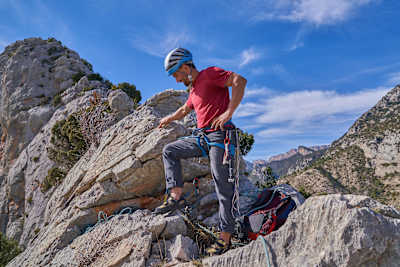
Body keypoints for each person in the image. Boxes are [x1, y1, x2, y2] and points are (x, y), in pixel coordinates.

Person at [154, 48, 247, 255]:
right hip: (202, 138)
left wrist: (229, 112)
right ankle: (176, 197)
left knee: (223, 186)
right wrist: (168, 119)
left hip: (220, 137)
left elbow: (239, 80)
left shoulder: (210, 74)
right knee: (170, 150)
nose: (176, 80)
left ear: (186, 67)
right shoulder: (194, 88)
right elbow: (185, 110)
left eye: (176, 74)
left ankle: (225, 239)